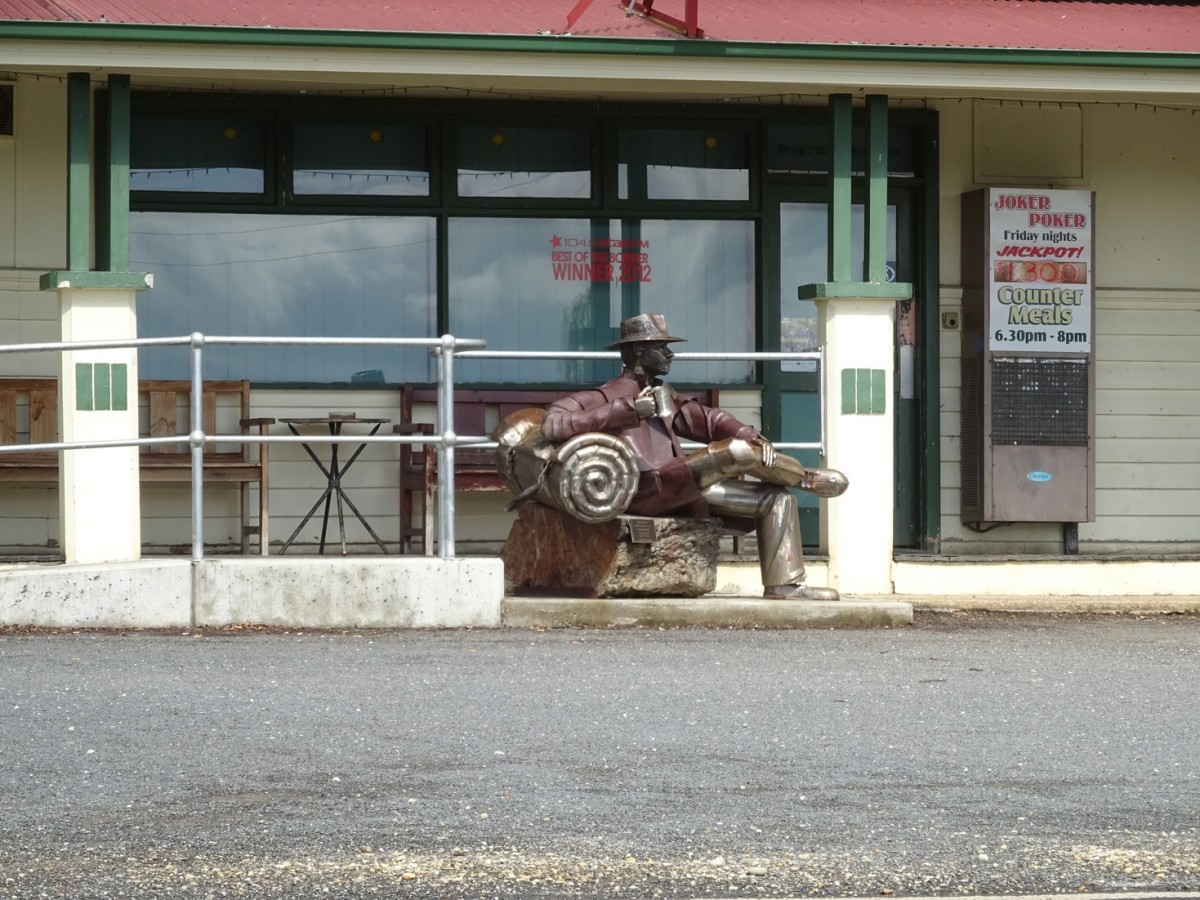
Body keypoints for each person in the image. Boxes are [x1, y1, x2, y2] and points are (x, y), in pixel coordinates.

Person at [541, 313, 847, 601]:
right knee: (735, 452)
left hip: (679, 486)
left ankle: (784, 586)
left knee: (778, 500)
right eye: (661, 348)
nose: (670, 354)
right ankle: (803, 477)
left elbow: (708, 419)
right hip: (643, 487)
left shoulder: (663, 394)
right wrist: (628, 411)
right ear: (638, 351)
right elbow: (553, 424)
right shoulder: (603, 396)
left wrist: (748, 433)